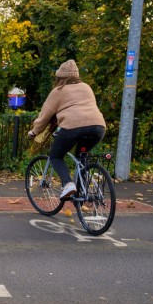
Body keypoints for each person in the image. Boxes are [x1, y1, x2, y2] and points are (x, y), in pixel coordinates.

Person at [27, 59, 106, 200]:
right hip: (98, 127)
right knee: (82, 156)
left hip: (72, 128)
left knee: (55, 156)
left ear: (60, 77)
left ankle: (68, 184)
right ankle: (82, 192)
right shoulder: (86, 87)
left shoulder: (58, 91)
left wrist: (34, 131)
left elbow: (44, 117)